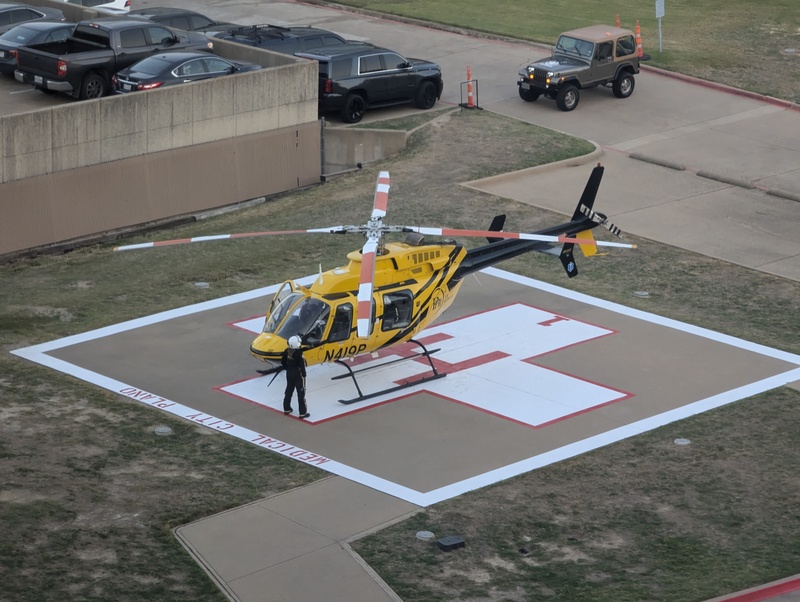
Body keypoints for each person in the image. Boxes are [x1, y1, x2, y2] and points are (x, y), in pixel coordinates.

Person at [281, 335, 309, 418]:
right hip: (297, 374)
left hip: (289, 373)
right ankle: (302, 412)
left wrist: (287, 368)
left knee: (289, 390)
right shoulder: (299, 354)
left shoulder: (287, 351)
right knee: (301, 392)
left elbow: (283, 362)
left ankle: (286, 408)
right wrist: (304, 374)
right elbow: (302, 365)